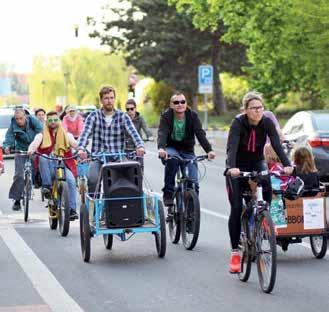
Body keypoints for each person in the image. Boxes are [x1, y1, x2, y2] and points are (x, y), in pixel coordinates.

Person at [225, 90, 293, 273]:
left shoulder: (267, 122)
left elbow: (277, 145)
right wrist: (231, 168)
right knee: (237, 207)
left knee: (267, 183)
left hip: (256, 161)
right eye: (254, 108)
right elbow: (231, 147)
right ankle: (235, 253)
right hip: (237, 165)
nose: (258, 111)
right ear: (245, 109)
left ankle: (263, 219)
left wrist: (288, 164)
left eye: (260, 107)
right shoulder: (238, 123)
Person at [77, 86, 145, 195]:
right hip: (98, 157)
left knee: (131, 177)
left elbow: (134, 134)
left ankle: (126, 206)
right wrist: (81, 148)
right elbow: (85, 134)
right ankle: (93, 209)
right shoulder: (93, 116)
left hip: (118, 156)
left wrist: (140, 146)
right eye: (106, 98)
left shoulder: (123, 116)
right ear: (101, 100)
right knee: (92, 179)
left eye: (112, 98)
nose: (109, 101)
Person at [157, 92, 215, 206]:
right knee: (172, 160)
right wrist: (161, 148)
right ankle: (168, 193)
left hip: (187, 150)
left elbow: (200, 134)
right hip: (171, 147)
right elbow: (162, 133)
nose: (180, 104)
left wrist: (209, 150)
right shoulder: (166, 116)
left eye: (183, 102)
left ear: (186, 103)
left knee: (193, 182)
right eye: (176, 102)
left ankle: (192, 211)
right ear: (171, 105)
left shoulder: (192, 116)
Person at [28, 111, 79, 219]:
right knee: (42, 157)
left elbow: (75, 144)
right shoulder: (41, 134)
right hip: (49, 166)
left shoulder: (66, 134)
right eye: (50, 120)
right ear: (47, 122)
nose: (53, 122)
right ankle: (46, 187)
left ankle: (72, 210)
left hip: (63, 163)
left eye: (55, 120)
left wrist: (81, 150)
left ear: (59, 121)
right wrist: (31, 149)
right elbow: (35, 143)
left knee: (71, 181)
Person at [3, 109, 43, 210]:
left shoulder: (33, 121)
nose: (19, 121)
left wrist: (37, 146)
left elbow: (41, 132)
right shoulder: (13, 124)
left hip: (34, 148)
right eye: (17, 119)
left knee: (38, 169)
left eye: (21, 118)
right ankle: (17, 200)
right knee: (18, 175)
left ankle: (37, 182)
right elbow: (9, 137)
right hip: (21, 150)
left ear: (25, 116)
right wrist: (7, 146)